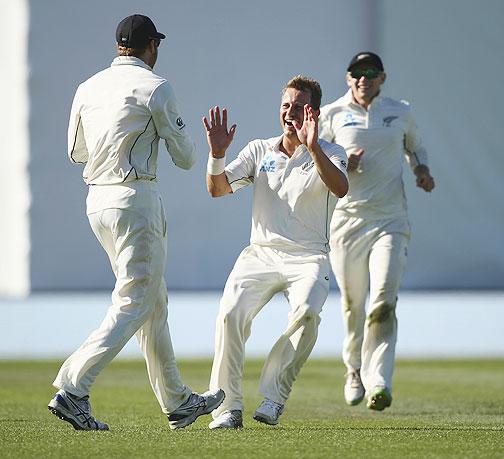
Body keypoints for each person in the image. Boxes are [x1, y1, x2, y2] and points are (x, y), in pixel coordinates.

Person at [48, 14, 224, 431]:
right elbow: (186, 159)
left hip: (97, 201)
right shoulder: (156, 87)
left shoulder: (87, 87)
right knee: (134, 301)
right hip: (135, 199)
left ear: (118, 47)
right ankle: (73, 388)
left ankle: (178, 402)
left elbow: (76, 152)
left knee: (152, 301)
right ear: (152, 47)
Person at [204, 76, 349, 429]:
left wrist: (313, 148)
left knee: (307, 313)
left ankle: (273, 397)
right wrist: (217, 154)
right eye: (286, 105)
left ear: (313, 112)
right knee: (230, 314)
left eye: (299, 107)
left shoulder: (331, 152)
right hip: (261, 253)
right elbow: (218, 189)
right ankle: (227, 408)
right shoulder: (259, 150)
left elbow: (341, 188)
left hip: (309, 256)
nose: (290, 112)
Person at [318, 52, 435, 411]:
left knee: (383, 299)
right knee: (353, 304)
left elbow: (415, 147)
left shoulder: (400, 111)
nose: (363, 78)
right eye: (357, 72)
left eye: (370, 73)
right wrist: (343, 162)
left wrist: (421, 170)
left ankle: (379, 380)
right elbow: (315, 155)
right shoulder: (332, 114)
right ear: (348, 77)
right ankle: (353, 369)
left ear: (382, 78)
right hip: (348, 222)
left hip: (390, 221)